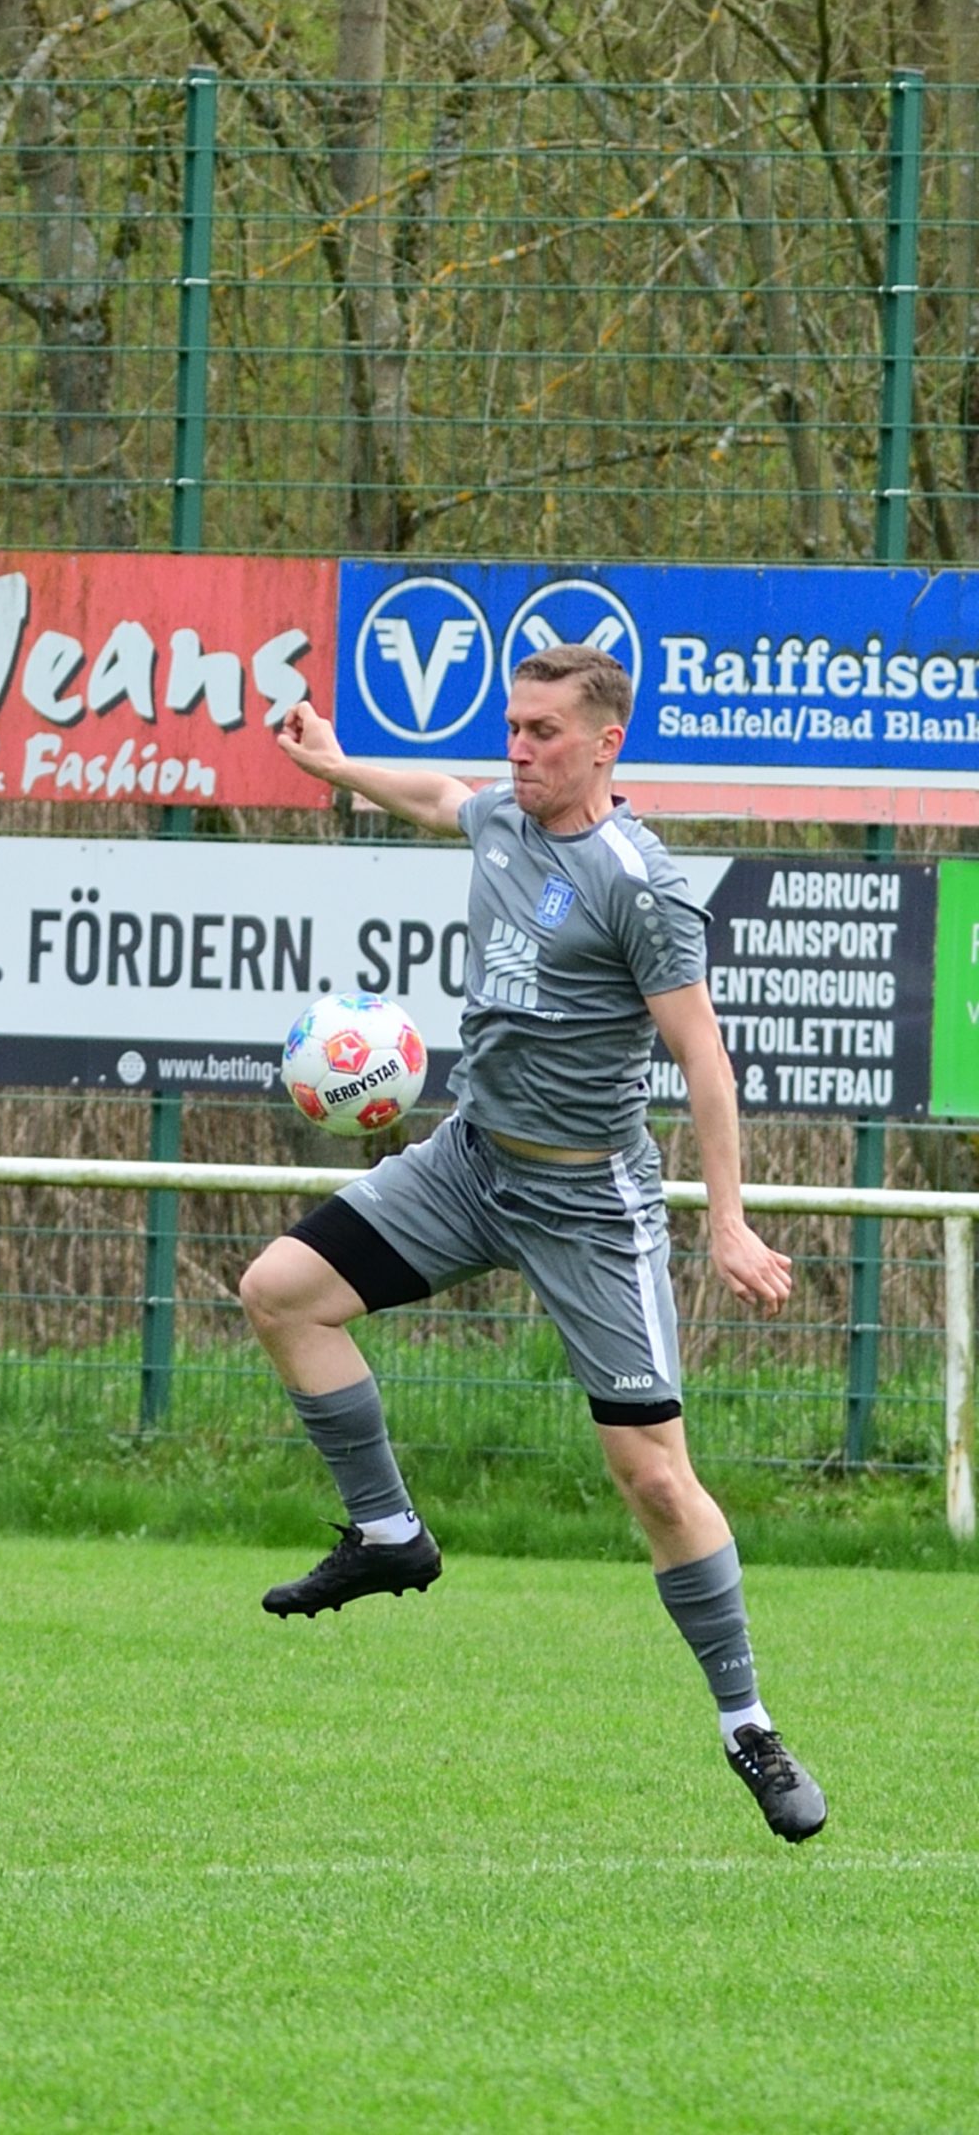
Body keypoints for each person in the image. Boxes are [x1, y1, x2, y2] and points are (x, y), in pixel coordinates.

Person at [240, 643, 824, 1843]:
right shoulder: (502, 818)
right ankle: (389, 1533)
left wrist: (725, 1220)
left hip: (588, 1205)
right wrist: (333, 764)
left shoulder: (637, 883)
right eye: (512, 727)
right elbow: (437, 796)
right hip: (468, 1165)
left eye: (543, 732)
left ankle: (747, 1725)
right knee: (280, 1291)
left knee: (654, 1481)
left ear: (606, 743)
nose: (518, 749)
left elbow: (704, 1059)